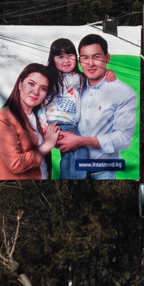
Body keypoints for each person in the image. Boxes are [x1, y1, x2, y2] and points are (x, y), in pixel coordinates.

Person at [55, 34, 137, 180]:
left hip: (102, 172)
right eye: (85, 58)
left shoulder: (124, 92)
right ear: (79, 60)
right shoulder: (73, 87)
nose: (90, 63)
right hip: (70, 169)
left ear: (107, 58)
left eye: (96, 57)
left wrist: (80, 141)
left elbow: (123, 138)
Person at [43, 38, 114, 181]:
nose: (66, 60)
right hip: (56, 123)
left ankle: (70, 179)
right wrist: (44, 125)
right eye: (60, 57)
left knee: (74, 152)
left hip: (72, 124)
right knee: (78, 151)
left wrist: (109, 73)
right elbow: (41, 104)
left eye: (70, 55)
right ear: (52, 59)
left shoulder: (80, 78)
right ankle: (73, 181)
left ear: (77, 57)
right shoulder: (50, 78)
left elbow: (96, 81)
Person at [0, 63, 61, 180]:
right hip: (16, 189)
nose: (36, 92)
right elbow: (15, 164)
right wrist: (47, 145)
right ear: (20, 84)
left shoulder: (42, 117)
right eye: (31, 84)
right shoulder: (5, 117)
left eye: (43, 88)